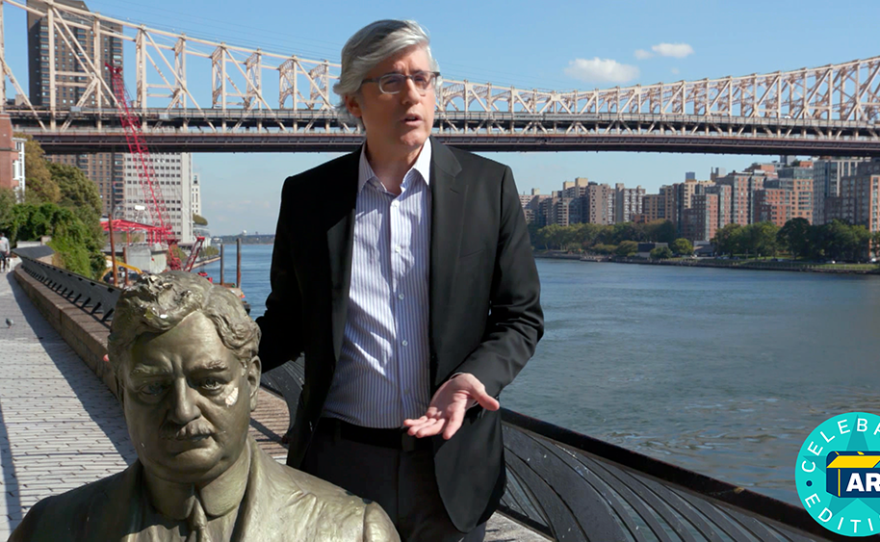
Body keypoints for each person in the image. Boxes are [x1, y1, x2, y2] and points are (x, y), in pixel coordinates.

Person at [257, 20, 543, 542]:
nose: (412, 94)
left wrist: (474, 379)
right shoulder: (307, 197)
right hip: (338, 467)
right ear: (353, 103)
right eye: (391, 81)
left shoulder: (490, 187)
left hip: (452, 467)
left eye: (423, 79)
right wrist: (187, 358)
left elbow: (519, 317)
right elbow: (287, 322)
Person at [10, 272, 398, 542]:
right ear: (122, 392)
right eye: (153, 387)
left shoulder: (353, 531)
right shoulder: (49, 529)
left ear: (250, 380)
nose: (182, 410)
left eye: (210, 382)